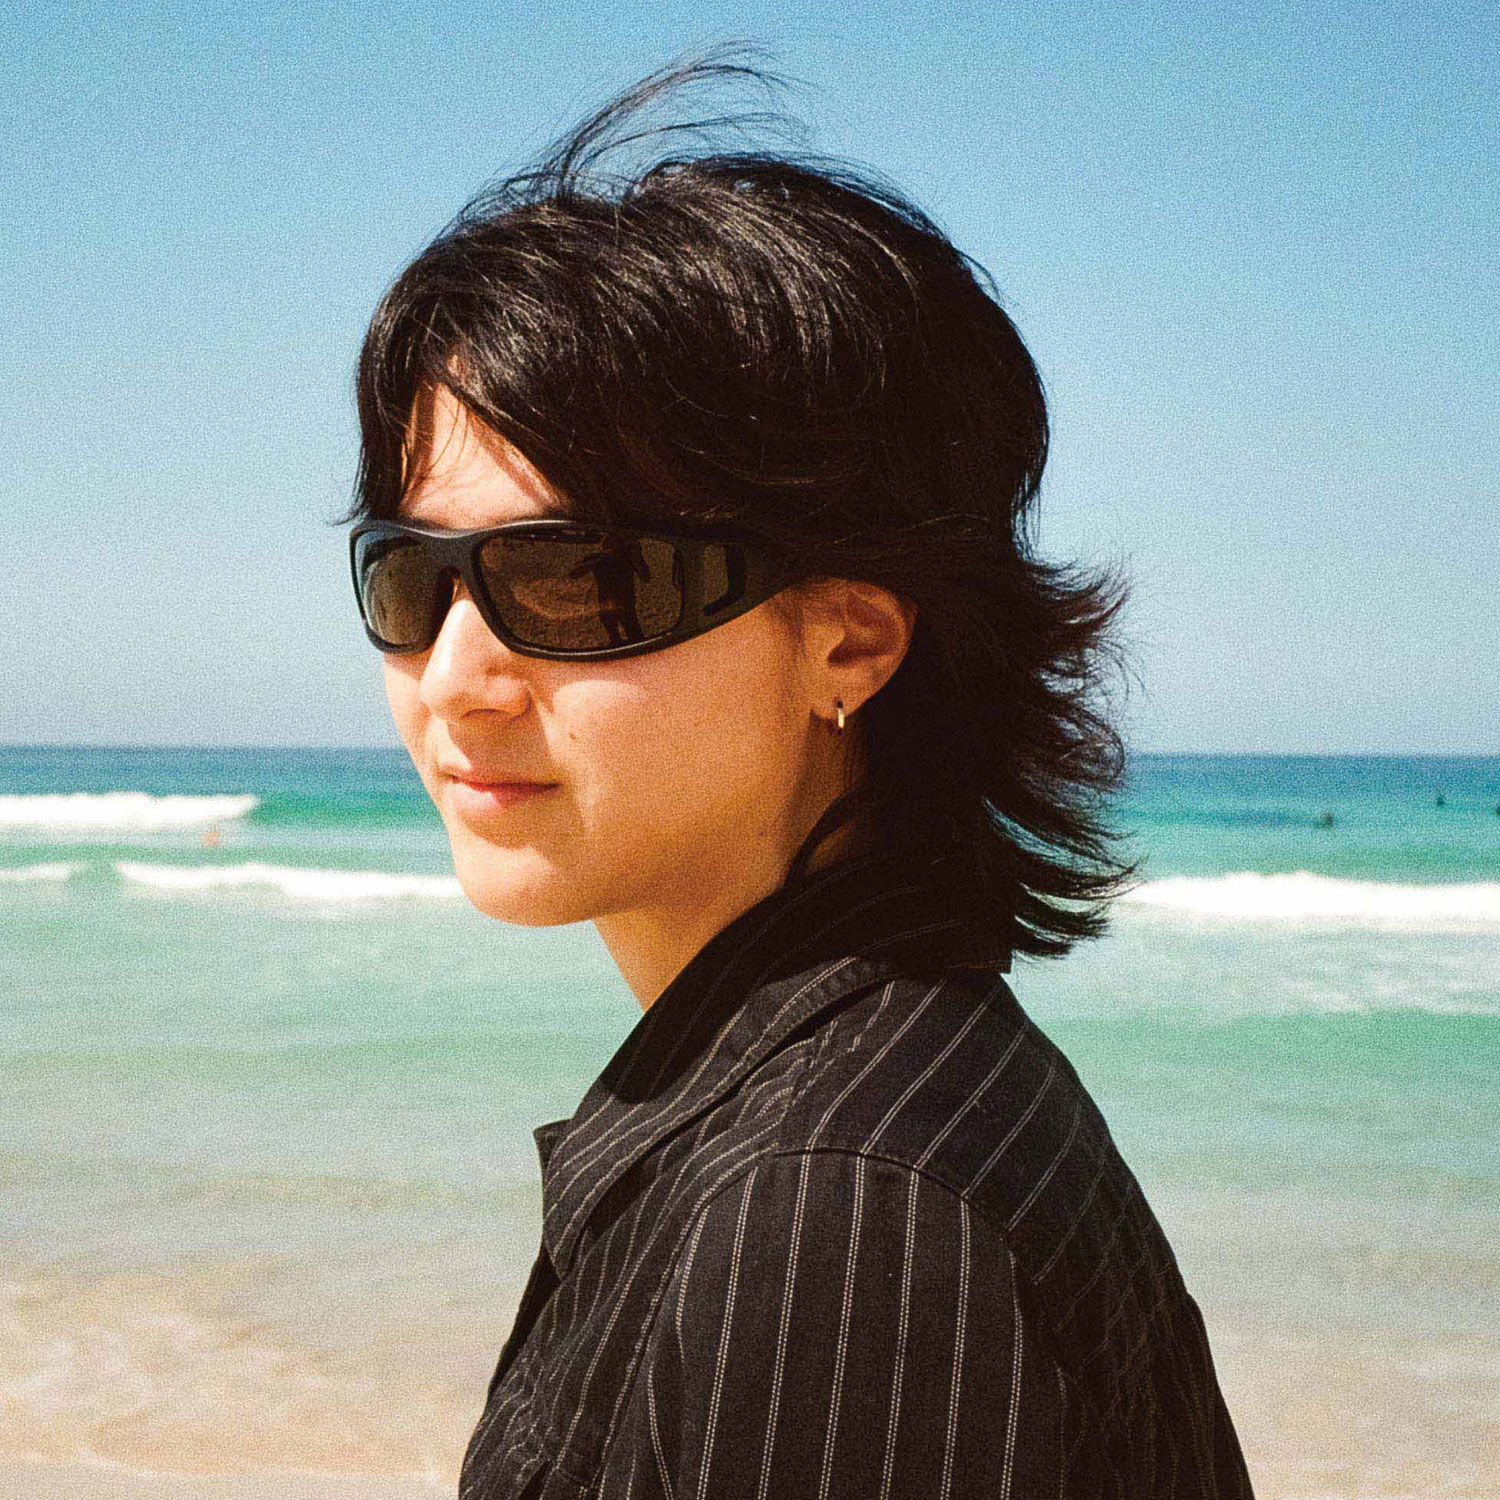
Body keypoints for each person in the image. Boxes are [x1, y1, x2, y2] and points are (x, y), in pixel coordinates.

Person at [345, 55, 1255, 1500]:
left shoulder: (836, 1213)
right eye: (412, 578)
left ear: (850, 642)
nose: (455, 675)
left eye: (577, 579)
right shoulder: (834, 1098)